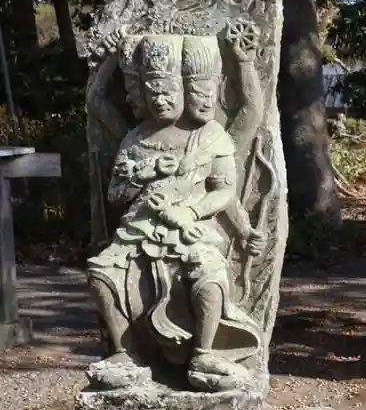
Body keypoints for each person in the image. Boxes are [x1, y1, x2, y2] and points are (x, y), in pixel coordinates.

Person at [86, 33, 263, 391]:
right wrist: (141, 176)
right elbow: (116, 196)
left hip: (190, 229)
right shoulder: (136, 138)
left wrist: (195, 213)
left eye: (168, 90)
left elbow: (225, 191)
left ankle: (204, 354)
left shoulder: (210, 136)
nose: (161, 98)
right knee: (102, 273)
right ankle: (124, 354)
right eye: (153, 91)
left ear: (184, 88)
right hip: (138, 231)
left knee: (209, 273)